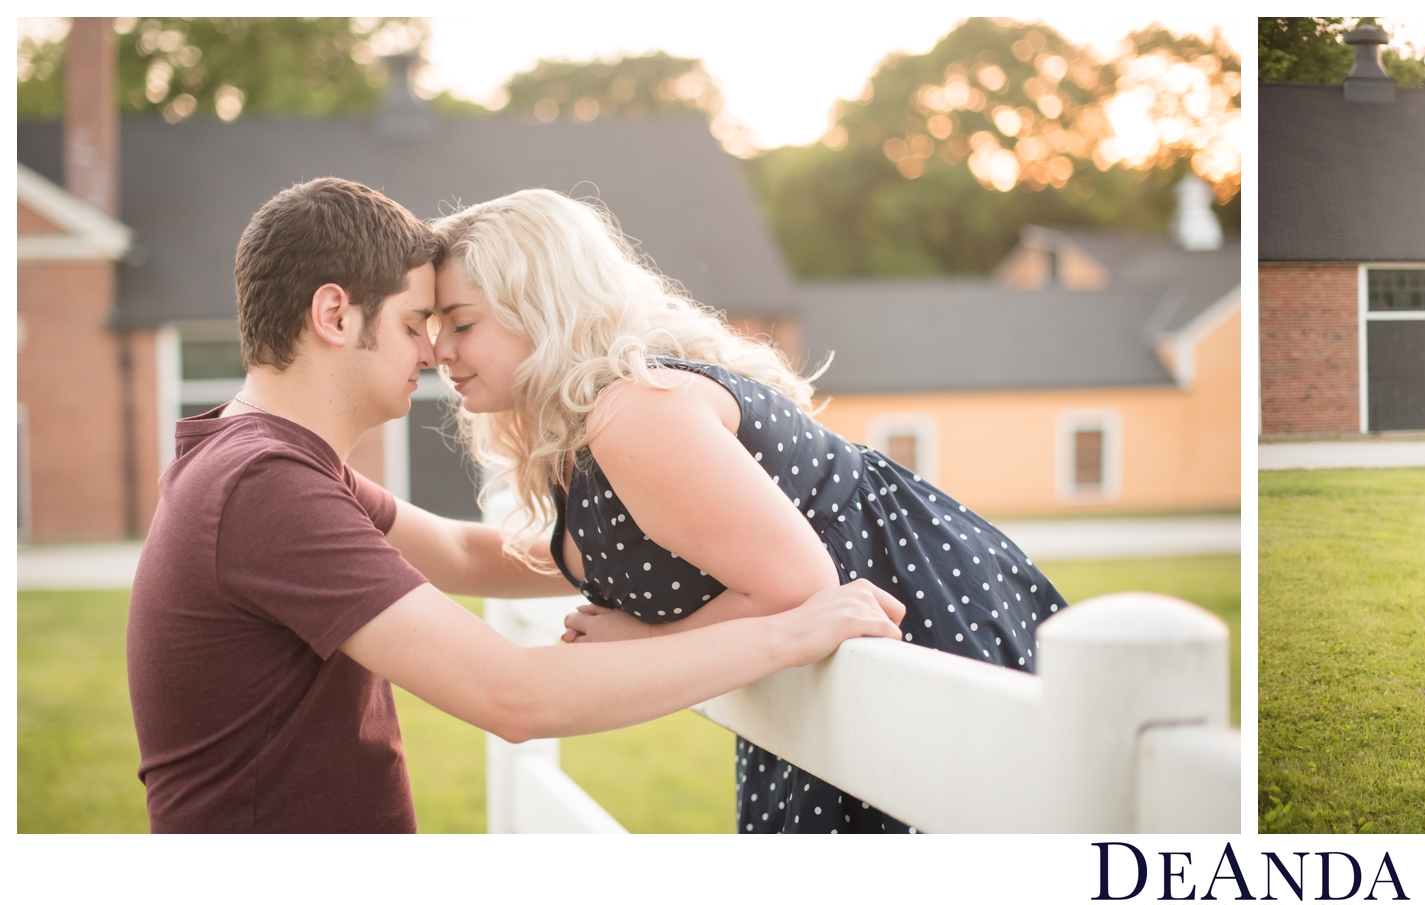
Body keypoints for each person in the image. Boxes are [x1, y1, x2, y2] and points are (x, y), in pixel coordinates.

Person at [126, 178, 905, 834]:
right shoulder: (262, 485)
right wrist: (789, 632)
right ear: (334, 316)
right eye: (412, 324)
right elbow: (512, 693)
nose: (431, 353)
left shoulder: (260, 462)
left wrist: (644, 566)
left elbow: (465, 555)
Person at [426, 189, 1071, 833]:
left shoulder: (636, 411)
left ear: (540, 307)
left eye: (460, 323)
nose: (439, 351)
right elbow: (484, 558)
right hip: (826, 671)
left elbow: (803, 589)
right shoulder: (598, 431)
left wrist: (651, 641)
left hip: (915, 623)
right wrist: (343, 498)